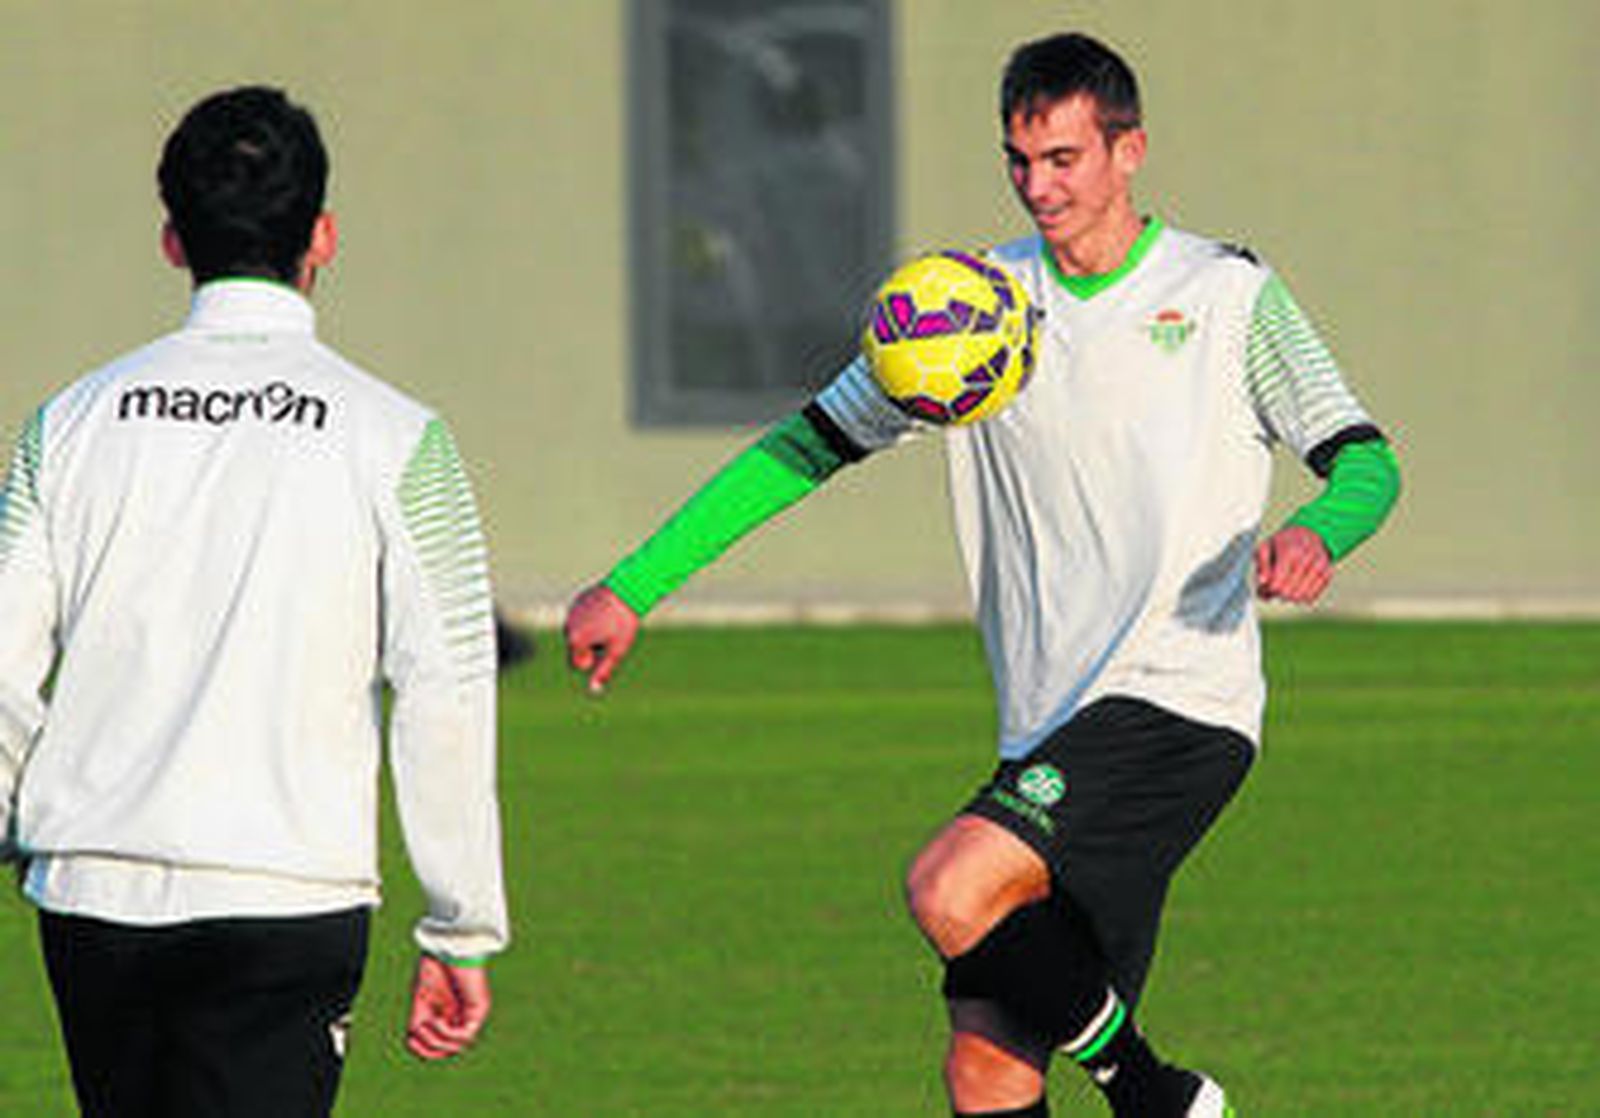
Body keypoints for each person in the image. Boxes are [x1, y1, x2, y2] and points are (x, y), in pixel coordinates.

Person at [565, 31, 1399, 1118]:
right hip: (1043, 725)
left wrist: (1318, 531)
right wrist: (634, 583)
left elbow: (1365, 457)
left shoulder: (1226, 292)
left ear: (1128, 149)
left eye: (1062, 157)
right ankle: (1145, 1086)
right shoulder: (967, 307)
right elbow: (806, 442)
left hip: (1176, 699)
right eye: (1018, 159)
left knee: (948, 882)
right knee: (988, 1071)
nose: (1037, 184)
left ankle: (1151, 1091)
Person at [0, 86, 508, 1117]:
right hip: (288, 893)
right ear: (322, 234)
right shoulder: (400, 434)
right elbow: (445, 683)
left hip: (94, 891)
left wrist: (31, 821)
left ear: (171, 239)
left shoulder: (69, 420)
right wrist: (460, 923)